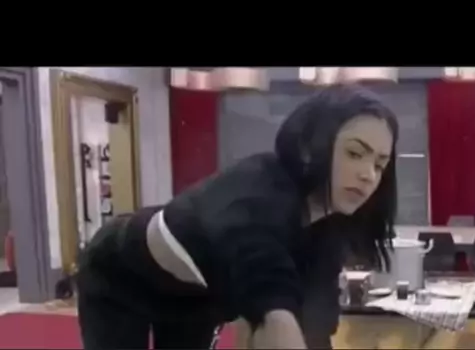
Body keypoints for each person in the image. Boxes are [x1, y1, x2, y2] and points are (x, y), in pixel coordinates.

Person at [75, 83, 399, 350]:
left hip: (197, 298)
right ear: (308, 147)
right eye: (355, 153)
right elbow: (275, 315)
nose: (369, 175)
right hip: (119, 276)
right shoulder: (256, 196)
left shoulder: (328, 229)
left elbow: (314, 325)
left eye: (380, 164)